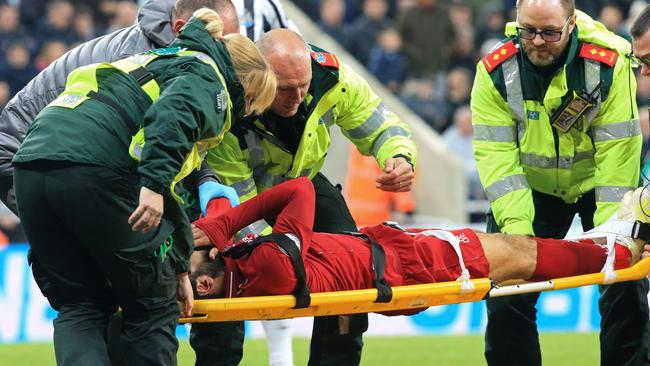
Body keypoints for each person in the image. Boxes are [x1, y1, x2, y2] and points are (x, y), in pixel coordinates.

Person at [12, 9, 276, 366]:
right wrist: (151, 185)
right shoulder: (208, 76)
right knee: (152, 305)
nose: (244, 115)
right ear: (245, 87)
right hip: (96, 168)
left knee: (81, 305)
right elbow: (173, 117)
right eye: (251, 105)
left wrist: (181, 265)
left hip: (31, 165)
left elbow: (170, 196)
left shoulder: (157, 59)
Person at [201, 28, 417, 366]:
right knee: (225, 290)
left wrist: (400, 158)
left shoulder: (330, 77)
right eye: (285, 89)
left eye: (303, 85)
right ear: (258, 80)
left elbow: (380, 124)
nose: (299, 96)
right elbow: (241, 211)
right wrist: (277, 257)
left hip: (305, 184)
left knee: (356, 272)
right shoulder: (230, 106)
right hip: (243, 201)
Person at [470, 0, 650, 365]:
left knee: (624, 287)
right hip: (529, 192)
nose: (537, 41)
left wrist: (614, 238)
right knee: (507, 294)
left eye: (550, 32)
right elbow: (500, 165)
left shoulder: (609, 65)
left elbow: (618, 162)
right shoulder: (494, 73)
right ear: (517, 21)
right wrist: (519, 240)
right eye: (528, 31)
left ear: (571, 25)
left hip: (599, 186)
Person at [189, 178, 647, 307]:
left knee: (521, 255)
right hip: (411, 262)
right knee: (526, 256)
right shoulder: (266, 264)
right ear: (206, 284)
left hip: (392, 261)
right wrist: (225, 224)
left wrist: (216, 228)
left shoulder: (242, 280)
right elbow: (301, 190)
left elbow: (215, 250)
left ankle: (606, 243)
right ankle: (623, 246)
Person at [0, 0, 241, 214]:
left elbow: (178, 128)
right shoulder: (139, 57)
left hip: (51, 149)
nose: (228, 58)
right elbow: (163, 134)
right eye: (221, 45)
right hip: (21, 149)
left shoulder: (174, 54)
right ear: (180, 27)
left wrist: (204, 177)